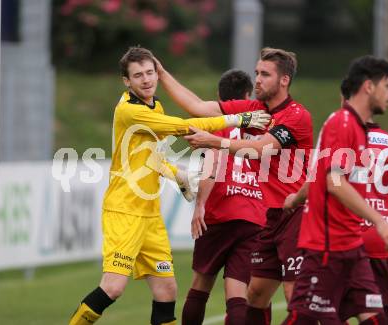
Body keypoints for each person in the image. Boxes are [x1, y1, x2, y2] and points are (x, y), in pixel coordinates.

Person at [68, 47, 271, 325]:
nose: (146, 79)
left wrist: (179, 175)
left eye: (150, 73)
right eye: (138, 75)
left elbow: (154, 157)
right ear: (127, 81)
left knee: (166, 290)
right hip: (125, 211)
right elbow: (182, 126)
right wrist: (237, 119)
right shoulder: (130, 110)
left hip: (150, 215)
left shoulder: (155, 105)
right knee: (113, 287)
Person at [157, 47, 313, 325]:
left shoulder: (296, 115)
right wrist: (161, 72)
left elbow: (261, 149)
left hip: (294, 217)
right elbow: (198, 108)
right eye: (256, 73)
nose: (257, 80)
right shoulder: (255, 110)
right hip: (266, 220)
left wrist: (214, 141)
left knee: (295, 296)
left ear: (284, 80)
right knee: (254, 295)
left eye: (265, 74)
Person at [282, 55, 388, 325]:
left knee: (376, 317)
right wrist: (380, 221)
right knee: (303, 317)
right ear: (369, 86)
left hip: (351, 245)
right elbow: (333, 181)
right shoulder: (343, 123)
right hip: (327, 246)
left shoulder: (357, 129)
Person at [182, 69, 267, 325]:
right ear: (247, 96)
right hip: (254, 214)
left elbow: (214, 162)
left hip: (221, 212)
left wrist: (200, 206)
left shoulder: (219, 125)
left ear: (219, 97)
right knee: (238, 290)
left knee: (201, 283)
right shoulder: (264, 127)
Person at [337, 80, 388, 325]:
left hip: (344, 241)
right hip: (379, 243)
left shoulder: (341, 139)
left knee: (329, 313)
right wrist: (382, 220)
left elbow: (329, 186)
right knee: (378, 316)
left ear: (345, 101)